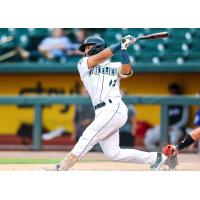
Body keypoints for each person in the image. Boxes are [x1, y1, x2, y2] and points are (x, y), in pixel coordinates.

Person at [43, 35, 172, 171]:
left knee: (89, 134)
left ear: (98, 47)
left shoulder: (114, 66)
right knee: (113, 154)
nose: (85, 50)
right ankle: (157, 158)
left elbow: (126, 71)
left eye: (88, 47)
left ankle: (63, 167)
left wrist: (123, 49)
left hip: (114, 108)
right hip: (101, 112)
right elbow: (99, 57)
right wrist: (119, 44)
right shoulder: (83, 63)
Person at [144, 83, 189, 151]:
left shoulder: (183, 103)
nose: (173, 94)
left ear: (178, 92)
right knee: (148, 140)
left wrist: (173, 127)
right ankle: (159, 154)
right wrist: (165, 127)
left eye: (175, 92)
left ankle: (170, 157)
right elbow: (163, 118)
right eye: (171, 92)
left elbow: (185, 119)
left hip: (177, 129)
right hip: (166, 127)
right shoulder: (167, 102)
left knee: (173, 139)